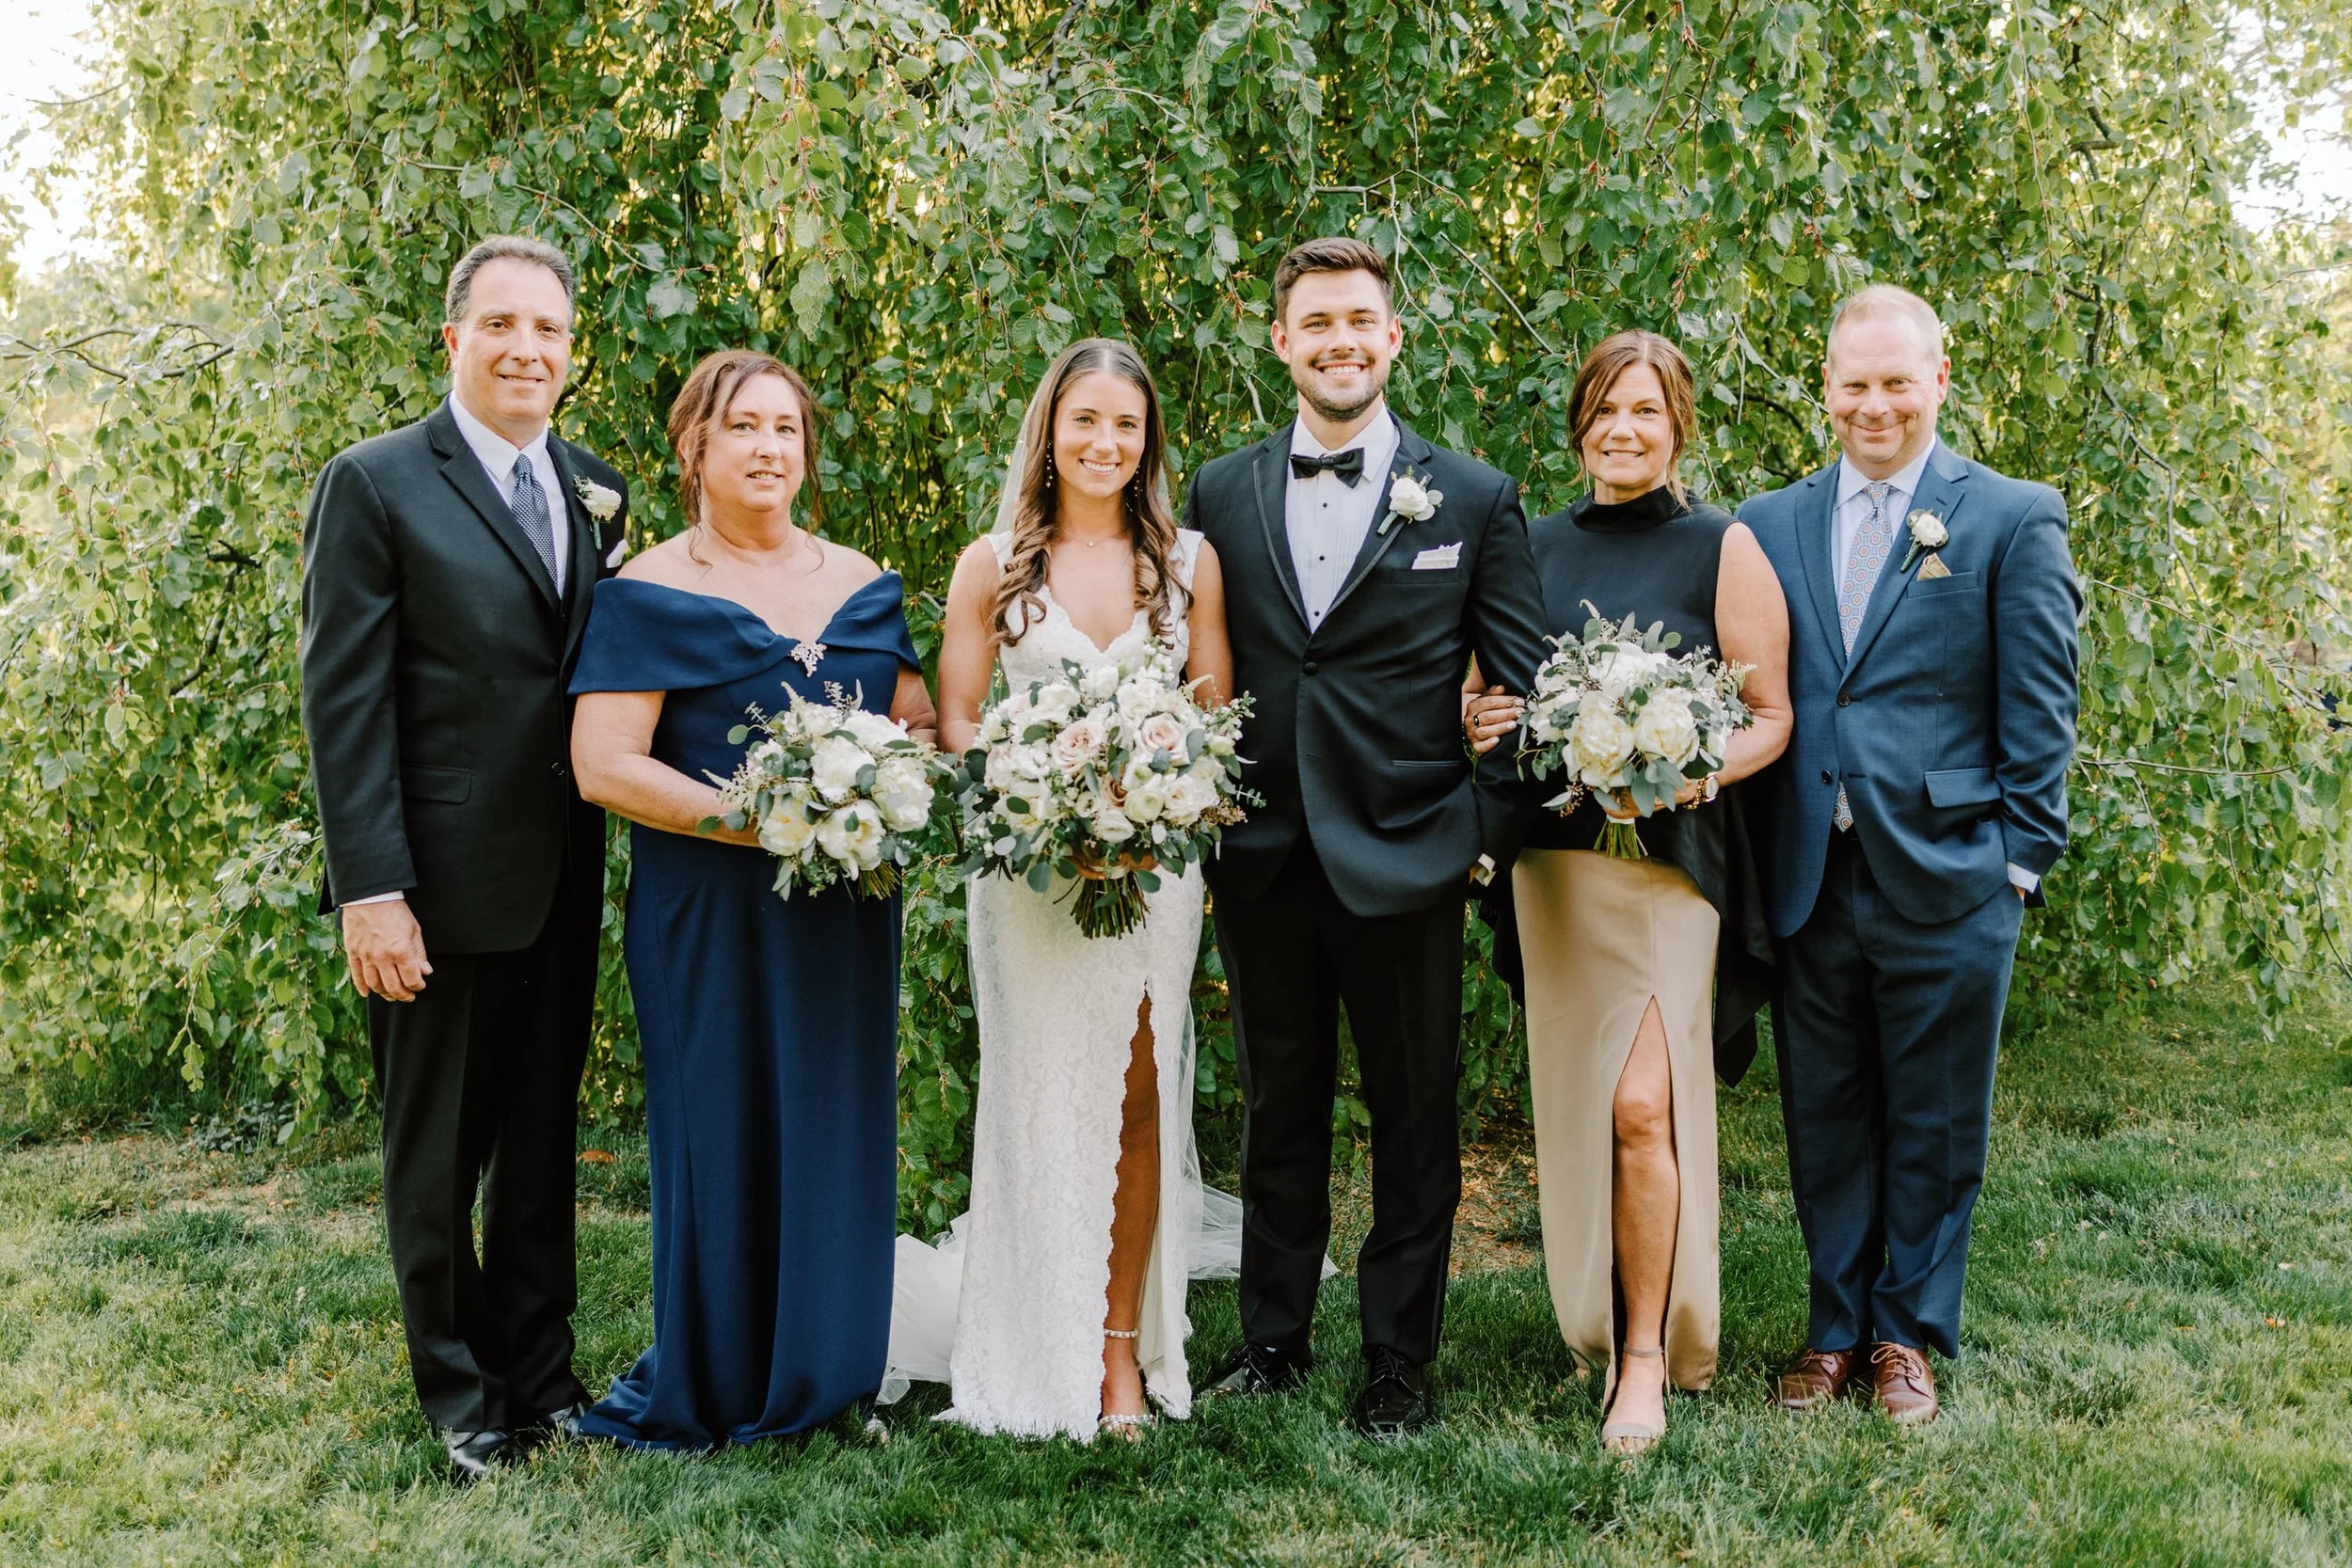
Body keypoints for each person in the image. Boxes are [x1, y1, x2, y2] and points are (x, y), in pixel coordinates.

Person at [1184, 237, 1552, 1438]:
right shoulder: (1217, 490)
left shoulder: (1475, 496)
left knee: (1412, 1116)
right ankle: (1272, 1341)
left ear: (1393, 338)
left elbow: (1529, 696)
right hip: (1265, 851)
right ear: (1281, 341)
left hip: (1409, 852)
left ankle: (1398, 1358)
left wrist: (1480, 839)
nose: (1341, 340)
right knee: (1275, 1106)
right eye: (1317, 323)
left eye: (1361, 320)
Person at [299, 234, 629, 1481]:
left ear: (569, 350)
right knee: (435, 1156)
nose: (526, 350)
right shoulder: (375, 484)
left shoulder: (596, 488)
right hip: (429, 889)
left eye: (547, 330)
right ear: (455, 340)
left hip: (559, 876)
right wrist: (370, 890)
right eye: (501, 326)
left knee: (543, 1144)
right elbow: (346, 701)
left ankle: (542, 1378)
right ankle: (460, 1393)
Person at [565, 350, 936, 1449]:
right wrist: (758, 814)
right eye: (743, 429)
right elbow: (605, 765)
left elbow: (913, 717)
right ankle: (721, 1372)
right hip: (708, 914)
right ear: (694, 449)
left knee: (834, 1122)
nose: (770, 448)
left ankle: (827, 1368)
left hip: (843, 908)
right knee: (721, 1125)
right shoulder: (648, 590)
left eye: (786, 429)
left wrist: (888, 783)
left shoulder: (860, 574)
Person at [881, 338, 1234, 1442]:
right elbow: (962, 729)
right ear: (1051, 428)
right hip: (1031, 880)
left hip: (1153, 875)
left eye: (1125, 426)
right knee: (1037, 1097)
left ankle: (1120, 1356)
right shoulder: (992, 566)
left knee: (1136, 1097)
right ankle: (1033, 1340)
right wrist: (1054, 806)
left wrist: (1154, 804)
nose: (1104, 442)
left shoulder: (1188, 564)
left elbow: (1216, 724)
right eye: (1085, 419)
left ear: (1148, 442)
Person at [1740, 285, 2081, 1426]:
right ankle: (1831, 1329)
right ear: (1824, 386)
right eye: (1853, 382)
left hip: (1951, 870)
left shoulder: (2008, 515)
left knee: (1936, 1120)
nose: (1873, 404)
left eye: (1896, 381)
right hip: (1811, 873)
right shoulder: (1770, 520)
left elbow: (2041, 706)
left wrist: (2015, 864)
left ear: (1937, 379)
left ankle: (1905, 1336)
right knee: (1824, 1115)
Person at [1462, 331, 1790, 1455]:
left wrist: (1697, 762)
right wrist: (1478, 720)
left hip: (1670, 871)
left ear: (1678, 422)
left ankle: (1649, 1353)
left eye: (1646, 409)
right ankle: (1596, 1323)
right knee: (1581, 1103)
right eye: (1605, 409)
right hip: (1556, 867)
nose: (1624, 429)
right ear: (1579, 424)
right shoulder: (1530, 545)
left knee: (1644, 1101)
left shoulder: (1723, 546)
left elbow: (1770, 717)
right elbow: (1481, 695)